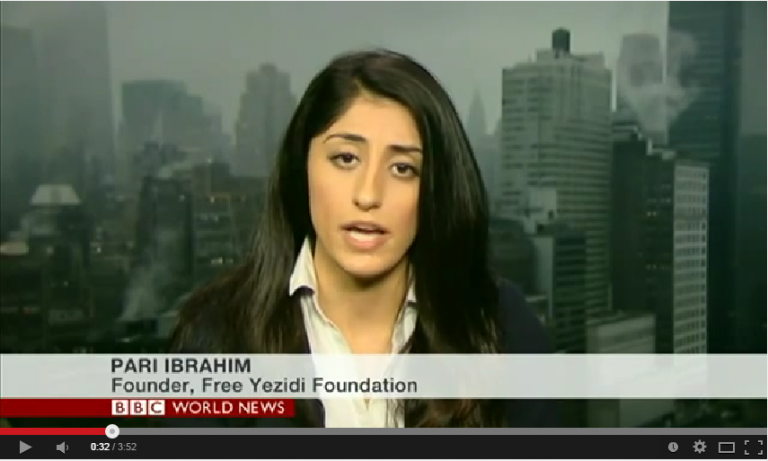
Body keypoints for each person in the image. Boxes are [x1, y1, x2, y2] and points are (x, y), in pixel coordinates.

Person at [169, 49, 558, 428]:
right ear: (302, 167)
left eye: (403, 168)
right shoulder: (216, 334)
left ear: (435, 190)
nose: (368, 195)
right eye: (345, 159)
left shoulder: (502, 327)